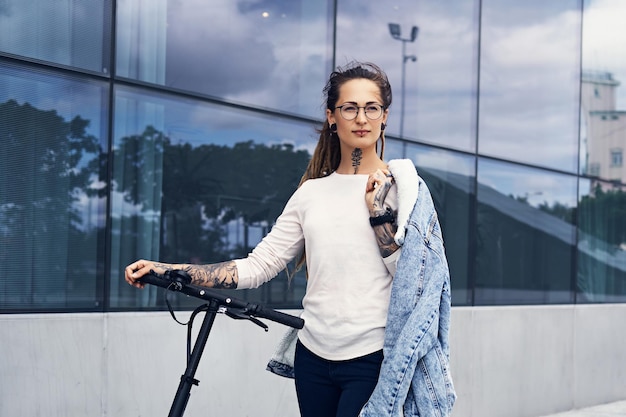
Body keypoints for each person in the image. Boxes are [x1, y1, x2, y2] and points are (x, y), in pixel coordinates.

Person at [125, 61, 455, 417]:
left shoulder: (404, 190)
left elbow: (418, 283)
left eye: (371, 108)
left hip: (372, 359)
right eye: (349, 108)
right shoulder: (310, 194)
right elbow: (259, 265)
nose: (361, 118)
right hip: (313, 357)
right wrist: (170, 269)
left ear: (384, 116)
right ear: (332, 117)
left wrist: (379, 217)